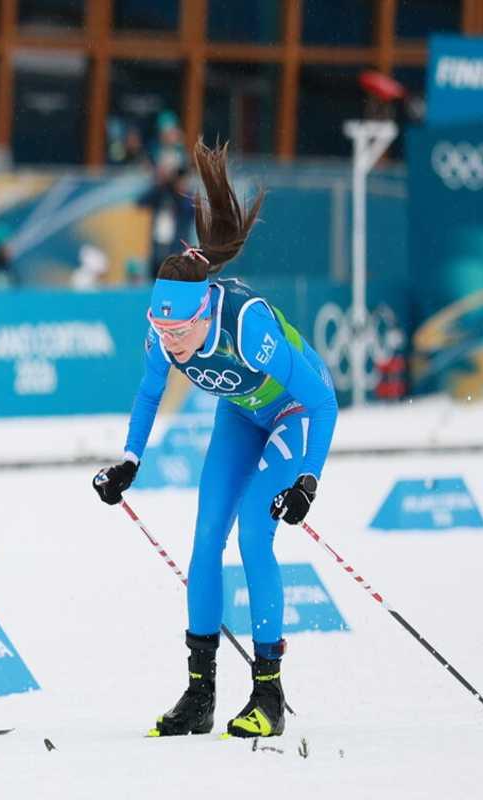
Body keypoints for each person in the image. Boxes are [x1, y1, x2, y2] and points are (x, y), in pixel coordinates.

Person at [92, 141, 338, 740]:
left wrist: (308, 480)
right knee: (205, 542)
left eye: (179, 332)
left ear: (205, 315)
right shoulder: (163, 334)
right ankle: (200, 694)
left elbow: (322, 399)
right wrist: (130, 460)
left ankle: (268, 696)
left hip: (292, 414)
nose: (171, 343)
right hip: (242, 416)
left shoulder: (247, 325)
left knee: (256, 535)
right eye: (161, 330)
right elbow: (149, 396)